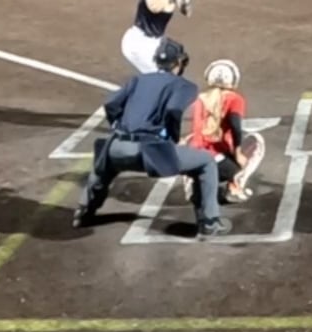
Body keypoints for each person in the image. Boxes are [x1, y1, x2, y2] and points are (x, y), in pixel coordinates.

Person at [71, 38, 230, 238]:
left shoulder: (137, 80)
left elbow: (111, 103)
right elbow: (173, 110)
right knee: (206, 162)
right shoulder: (184, 86)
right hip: (151, 153)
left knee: (103, 166)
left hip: (117, 147)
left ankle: (84, 212)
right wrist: (172, 137)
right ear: (179, 62)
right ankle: (209, 222)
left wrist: (117, 125)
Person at [183, 59, 265, 204]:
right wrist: (238, 154)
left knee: (191, 139)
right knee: (256, 142)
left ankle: (194, 185)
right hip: (214, 162)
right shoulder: (234, 99)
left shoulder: (201, 99)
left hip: (191, 161)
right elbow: (235, 126)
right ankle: (234, 187)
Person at [121, 0, 191, 74]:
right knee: (161, 76)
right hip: (138, 42)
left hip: (155, 42)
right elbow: (155, 7)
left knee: (176, 62)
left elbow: (187, 12)